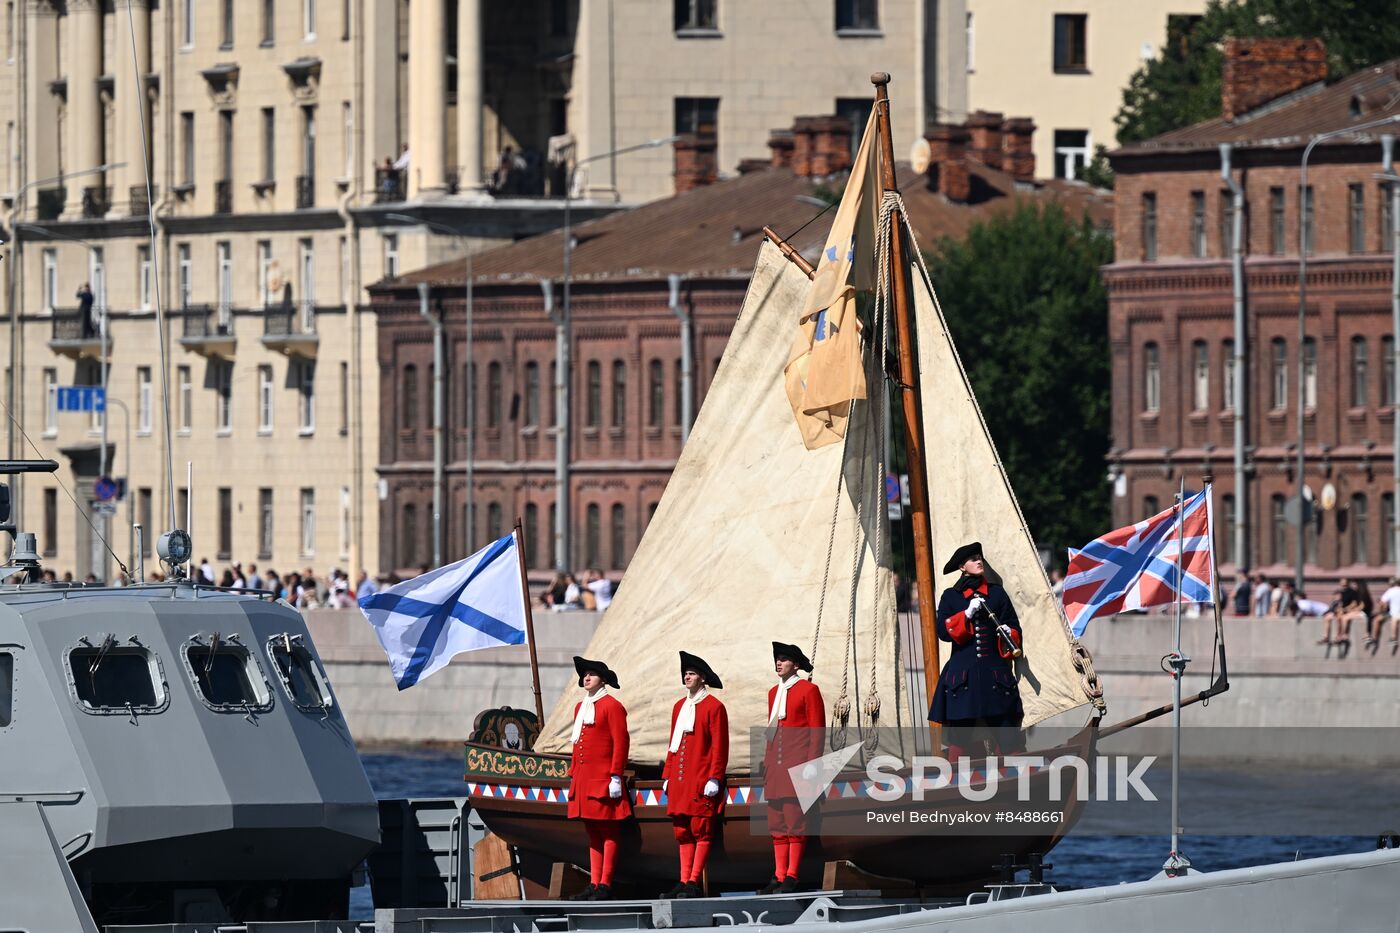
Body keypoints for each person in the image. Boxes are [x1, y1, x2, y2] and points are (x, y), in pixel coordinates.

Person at [928, 542, 1024, 762]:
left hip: (996, 677)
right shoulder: (951, 597)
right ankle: (954, 782)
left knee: (1008, 737)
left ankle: (1015, 778)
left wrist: (1010, 631)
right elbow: (942, 631)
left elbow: (1014, 627)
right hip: (963, 679)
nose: (979, 561)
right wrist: (966, 615)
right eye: (973, 559)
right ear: (962, 567)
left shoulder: (997, 594)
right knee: (960, 738)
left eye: (979, 557)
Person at [662, 652, 728, 899]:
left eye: (690, 673)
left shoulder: (714, 707)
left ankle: (693, 881)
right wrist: (667, 773)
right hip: (680, 780)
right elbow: (673, 743)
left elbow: (720, 746)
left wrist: (715, 777)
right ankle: (683, 879)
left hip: (700, 778)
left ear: (702, 678)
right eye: (685, 674)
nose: (686, 677)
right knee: (682, 830)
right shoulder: (679, 706)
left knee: (701, 828)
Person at [760, 641, 824, 895]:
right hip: (775, 768)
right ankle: (777, 875)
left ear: (795, 664)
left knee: (794, 820)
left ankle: (792, 875)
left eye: (784, 659)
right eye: (777, 658)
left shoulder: (809, 690)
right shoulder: (773, 693)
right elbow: (771, 732)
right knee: (777, 823)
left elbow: (817, 730)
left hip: (797, 764)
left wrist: (812, 763)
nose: (779, 662)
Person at [567, 656, 632, 901]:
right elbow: (578, 747)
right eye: (584, 675)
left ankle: (605, 884)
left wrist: (615, 775)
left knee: (608, 832)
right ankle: (594, 883)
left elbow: (621, 742)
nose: (586, 678)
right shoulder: (580, 707)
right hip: (584, 779)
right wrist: (574, 774)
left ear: (602, 679)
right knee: (593, 833)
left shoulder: (612, 706)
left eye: (591, 674)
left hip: (603, 780)